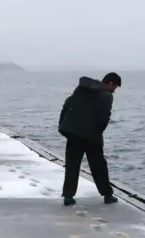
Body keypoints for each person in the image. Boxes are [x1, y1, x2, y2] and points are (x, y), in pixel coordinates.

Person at [58, 72, 122, 206]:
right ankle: (107, 195)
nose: (114, 91)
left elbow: (68, 103)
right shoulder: (106, 95)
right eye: (115, 87)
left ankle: (68, 197)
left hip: (73, 133)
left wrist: (63, 125)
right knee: (99, 166)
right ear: (110, 83)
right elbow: (104, 118)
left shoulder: (82, 89)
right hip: (92, 135)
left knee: (72, 165)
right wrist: (98, 132)